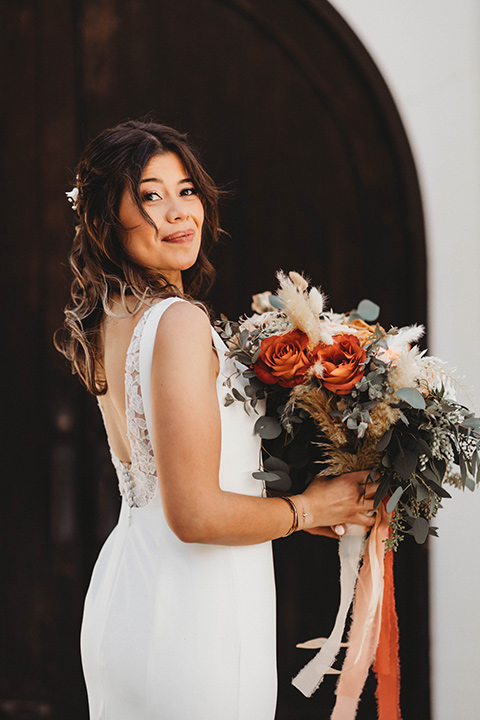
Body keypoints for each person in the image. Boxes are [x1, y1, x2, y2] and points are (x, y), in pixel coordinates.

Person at [56, 120, 378, 720]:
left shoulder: (113, 315)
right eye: (151, 195)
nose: (180, 213)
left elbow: (177, 485)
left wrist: (286, 510)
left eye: (187, 190)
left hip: (137, 594)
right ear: (105, 218)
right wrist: (313, 508)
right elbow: (194, 513)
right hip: (193, 615)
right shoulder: (176, 321)